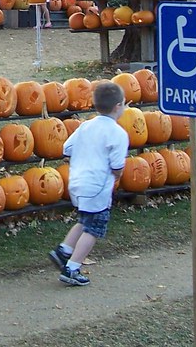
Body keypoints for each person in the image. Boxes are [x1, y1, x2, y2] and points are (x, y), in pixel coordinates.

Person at [48, 80, 128, 287]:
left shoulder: (86, 126)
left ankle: (64, 250)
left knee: (84, 220)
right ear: (118, 106)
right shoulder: (118, 133)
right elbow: (117, 165)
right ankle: (72, 268)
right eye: (125, 103)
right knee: (94, 228)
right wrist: (117, 175)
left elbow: (67, 148)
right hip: (97, 187)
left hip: (76, 183)